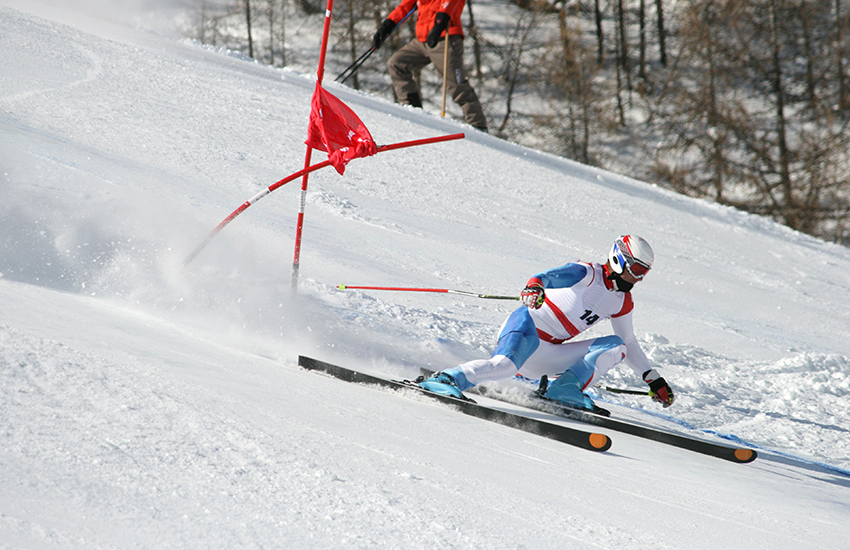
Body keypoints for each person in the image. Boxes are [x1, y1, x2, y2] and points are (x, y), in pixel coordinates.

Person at [419, 235, 675, 410]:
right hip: (528, 327)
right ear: (620, 259)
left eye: (645, 273)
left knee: (617, 346)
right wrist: (534, 287)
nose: (640, 279)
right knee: (505, 366)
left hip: (549, 353)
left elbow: (628, 341)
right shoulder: (586, 273)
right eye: (638, 270)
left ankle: (564, 390)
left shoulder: (622, 301)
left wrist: (653, 379)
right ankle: (448, 380)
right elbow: (544, 277)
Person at [372, 0, 488, 132]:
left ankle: (478, 125)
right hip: (423, 40)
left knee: (456, 85)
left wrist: (441, 21)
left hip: (445, 38)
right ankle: (413, 109)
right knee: (397, 63)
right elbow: (406, 5)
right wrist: (388, 25)